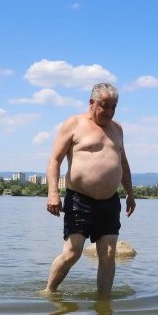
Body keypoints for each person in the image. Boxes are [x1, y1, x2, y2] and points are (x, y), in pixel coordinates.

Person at [45, 82, 136, 297]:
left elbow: (123, 163)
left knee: (109, 253)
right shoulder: (74, 124)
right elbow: (54, 160)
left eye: (114, 106)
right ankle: (49, 292)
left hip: (110, 201)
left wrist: (130, 193)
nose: (110, 112)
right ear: (92, 103)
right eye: (105, 106)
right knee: (72, 253)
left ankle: (103, 302)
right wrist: (53, 193)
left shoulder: (117, 129)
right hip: (79, 200)